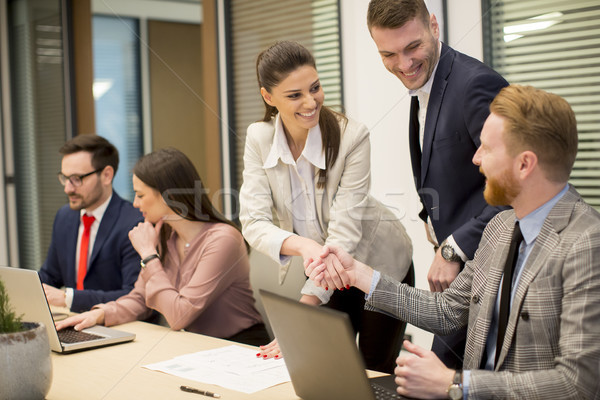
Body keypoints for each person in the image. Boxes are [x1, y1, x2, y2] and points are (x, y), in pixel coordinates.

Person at [307, 85, 600, 399]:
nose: (476, 158)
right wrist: (359, 274)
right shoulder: (500, 227)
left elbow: (576, 384)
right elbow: (446, 311)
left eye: (486, 148)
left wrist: (455, 383)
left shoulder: (586, 244)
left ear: (524, 164)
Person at [239, 41, 413, 372]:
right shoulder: (259, 138)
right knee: (326, 368)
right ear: (268, 97)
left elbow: (344, 233)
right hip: (325, 271)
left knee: (374, 368)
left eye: (315, 88)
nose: (310, 102)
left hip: (379, 265)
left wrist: (302, 314)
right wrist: (304, 245)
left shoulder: (352, 137)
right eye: (294, 95)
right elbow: (253, 221)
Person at [366, 0, 509, 368]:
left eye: (412, 47)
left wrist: (454, 247)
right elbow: (446, 171)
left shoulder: (475, 84)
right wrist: (433, 223)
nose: (403, 64)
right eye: (389, 54)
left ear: (434, 26)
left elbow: (513, 188)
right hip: (459, 280)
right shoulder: (426, 85)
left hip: (490, 272)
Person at [56, 148, 268, 346]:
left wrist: (148, 255)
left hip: (239, 346)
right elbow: (140, 298)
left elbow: (180, 316)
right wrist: (100, 314)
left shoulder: (223, 240)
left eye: (140, 195)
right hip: (196, 346)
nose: (136, 204)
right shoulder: (164, 234)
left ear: (170, 196)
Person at [39, 135, 143, 312]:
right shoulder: (64, 217)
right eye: (64, 178)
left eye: (77, 179)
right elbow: (50, 276)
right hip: (72, 322)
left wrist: (68, 298)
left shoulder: (134, 222)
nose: (68, 188)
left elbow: (133, 296)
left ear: (106, 175)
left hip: (118, 327)